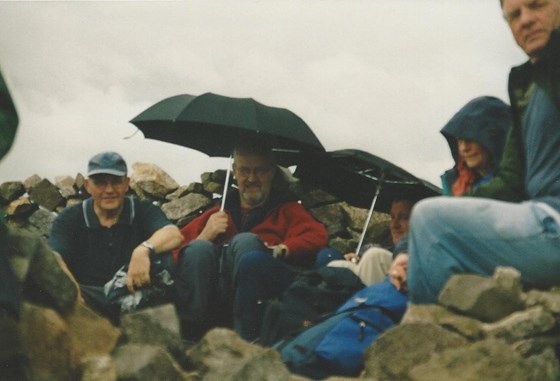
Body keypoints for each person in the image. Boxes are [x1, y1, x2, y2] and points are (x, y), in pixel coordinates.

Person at [406, 0, 560, 304]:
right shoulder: (527, 85)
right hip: (541, 217)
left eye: (536, 5)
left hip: (552, 222)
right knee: (426, 226)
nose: (526, 20)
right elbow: (511, 182)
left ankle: (427, 335)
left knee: (431, 222)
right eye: (514, 15)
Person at [175, 136, 329, 340]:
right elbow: (176, 248)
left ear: (272, 172)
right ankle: (190, 336)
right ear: (234, 171)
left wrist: (282, 249)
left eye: (260, 171)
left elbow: (317, 236)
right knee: (198, 249)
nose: (251, 178)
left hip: (255, 302)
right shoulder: (218, 212)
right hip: (209, 300)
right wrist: (205, 235)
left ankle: (246, 339)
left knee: (245, 242)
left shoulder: (286, 210)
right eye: (245, 170)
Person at [48, 151, 184, 317]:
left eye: (116, 182)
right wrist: (69, 287)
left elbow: (173, 234)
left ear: (127, 183)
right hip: (87, 299)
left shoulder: (143, 210)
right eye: (100, 183)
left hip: (133, 296)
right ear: (87, 185)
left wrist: (143, 250)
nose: (109, 190)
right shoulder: (69, 218)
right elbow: (54, 256)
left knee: (164, 258)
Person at [322, 196, 417, 287]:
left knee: (375, 256)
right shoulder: (383, 237)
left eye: (404, 217)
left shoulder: (424, 251)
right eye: (392, 217)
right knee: (331, 260)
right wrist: (358, 258)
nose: (394, 225)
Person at [439, 96, 511, 196]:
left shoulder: (519, 186)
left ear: (493, 139)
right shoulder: (453, 185)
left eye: (470, 139)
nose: (464, 148)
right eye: (459, 141)